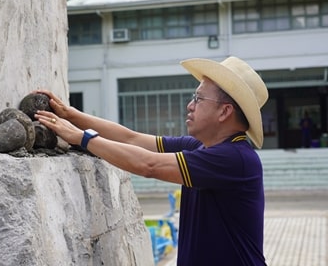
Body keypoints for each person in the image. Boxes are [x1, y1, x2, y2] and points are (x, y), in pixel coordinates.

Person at [33, 56, 268, 265]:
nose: (190, 105)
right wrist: (70, 114)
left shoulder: (235, 159)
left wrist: (82, 138)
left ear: (225, 112)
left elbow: (149, 165)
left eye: (198, 98)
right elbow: (132, 138)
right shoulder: (201, 147)